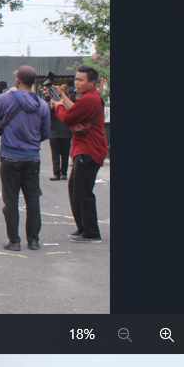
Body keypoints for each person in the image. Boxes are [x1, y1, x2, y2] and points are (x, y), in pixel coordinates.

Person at [0, 65, 50, 252]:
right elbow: (45, 133)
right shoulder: (42, 104)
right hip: (32, 158)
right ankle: (34, 240)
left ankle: (14, 241)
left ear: (18, 80)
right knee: (33, 200)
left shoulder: (5, 98)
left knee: (11, 200)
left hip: (10, 156)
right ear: (34, 82)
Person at [52, 65, 107, 243]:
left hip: (89, 150)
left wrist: (57, 106)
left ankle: (91, 232)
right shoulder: (90, 97)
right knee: (76, 189)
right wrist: (62, 98)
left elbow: (68, 117)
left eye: (81, 80)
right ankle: (83, 228)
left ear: (92, 82)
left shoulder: (89, 99)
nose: (77, 82)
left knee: (82, 192)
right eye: (76, 79)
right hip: (87, 149)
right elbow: (75, 108)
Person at [46, 83, 74, 181]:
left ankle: (64, 173)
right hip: (54, 132)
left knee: (65, 154)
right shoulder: (50, 103)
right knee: (55, 154)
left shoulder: (66, 103)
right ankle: (56, 173)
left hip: (65, 132)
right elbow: (46, 116)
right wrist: (51, 107)